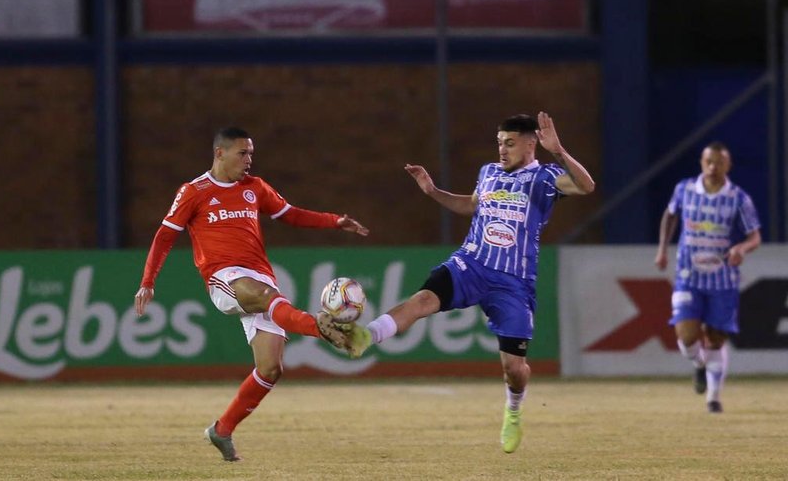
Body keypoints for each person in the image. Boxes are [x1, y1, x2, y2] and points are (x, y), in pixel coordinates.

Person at [342, 112, 595, 453]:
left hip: (513, 281)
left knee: (514, 369)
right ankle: (365, 336)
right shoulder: (488, 173)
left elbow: (586, 186)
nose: (502, 150)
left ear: (531, 144)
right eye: (499, 143)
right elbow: (472, 206)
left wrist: (559, 150)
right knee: (423, 300)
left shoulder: (546, 178)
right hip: (471, 263)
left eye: (509, 143)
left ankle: (513, 410)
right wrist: (432, 192)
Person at [133, 127, 368, 461]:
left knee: (271, 368)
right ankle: (322, 328)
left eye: (251, 153)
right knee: (265, 296)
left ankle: (221, 430)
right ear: (220, 153)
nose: (249, 160)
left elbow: (291, 215)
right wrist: (148, 281)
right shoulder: (194, 191)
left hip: (259, 276)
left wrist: (335, 221)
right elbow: (164, 236)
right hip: (224, 278)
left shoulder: (254, 188)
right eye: (243, 153)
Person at [654, 141, 760, 414]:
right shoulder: (685, 189)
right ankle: (698, 363)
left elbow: (755, 236)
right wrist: (663, 249)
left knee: (715, 339)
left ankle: (713, 398)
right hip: (688, 274)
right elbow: (670, 215)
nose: (713, 167)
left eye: (719, 162)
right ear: (702, 162)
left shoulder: (738, 198)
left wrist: (741, 248)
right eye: (708, 161)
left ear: (728, 165)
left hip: (722, 279)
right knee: (687, 336)